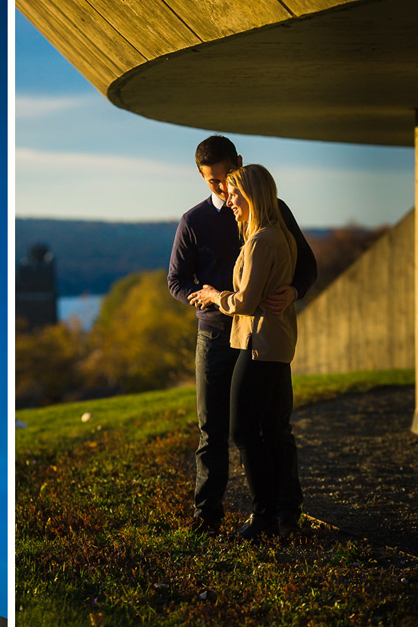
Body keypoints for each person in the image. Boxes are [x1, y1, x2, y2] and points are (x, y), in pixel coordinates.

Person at [167, 135, 316, 538]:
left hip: (261, 337)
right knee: (213, 429)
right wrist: (208, 300)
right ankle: (208, 515)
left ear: (239, 165)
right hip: (216, 337)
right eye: (210, 180)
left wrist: (295, 290)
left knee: (274, 427)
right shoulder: (193, 221)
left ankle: (285, 513)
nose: (219, 188)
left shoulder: (271, 213)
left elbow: (306, 266)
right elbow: (176, 281)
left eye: (224, 178)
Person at [189, 164, 299, 539]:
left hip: (258, 346)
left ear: (251, 195)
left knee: (243, 432)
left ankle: (264, 518)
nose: (230, 200)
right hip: (270, 344)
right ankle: (275, 516)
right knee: (267, 431)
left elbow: (246, 301)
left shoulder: (261, 240)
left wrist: (211, 295)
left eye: (234, 193)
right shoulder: (275, 235)